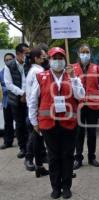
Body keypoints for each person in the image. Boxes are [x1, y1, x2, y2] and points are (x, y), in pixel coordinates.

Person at [28, 47, 85, 199]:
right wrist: (34, 121)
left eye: (61, 58)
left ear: (65, 60)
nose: (58, 61)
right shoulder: (41, 77)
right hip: (48, 124)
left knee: (67, 156)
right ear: (50, 60)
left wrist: (73, 78)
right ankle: (55, 187)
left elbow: (80, 96)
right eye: (55, 58)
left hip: (69, 124)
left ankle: (66, 187)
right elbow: (33, 100)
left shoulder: (72, 76)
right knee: (53, 157)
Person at [73, 44, 99, 170]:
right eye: (82, 52)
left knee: (92, 133)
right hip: (78, 105)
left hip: (93, 104)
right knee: (79, 133)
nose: (85, 54)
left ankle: (92, 157)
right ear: (79, 54)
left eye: (87, 52)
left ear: (90, 54)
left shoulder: (96, 68)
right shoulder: (72, 68)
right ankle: (78, 158)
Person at [25, 47, 49, 177]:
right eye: (43, 56)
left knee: (37, 139)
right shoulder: (37, 71)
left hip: (34, 110)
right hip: (36, 111)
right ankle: (33, 162)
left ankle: (39, 165)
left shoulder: (34, 70)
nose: (46, 58)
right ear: (37, 58)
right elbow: (34, 96)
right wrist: (34, 116)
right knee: (36, 139)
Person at [4, 43, 30, 159]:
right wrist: (22, 93)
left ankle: (31, 148)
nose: (27, 55)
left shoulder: (29, 64)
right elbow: (8, 84)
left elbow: (29, 80)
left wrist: (27, 94)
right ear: (18, 54)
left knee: (30, 123)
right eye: (26, 53)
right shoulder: (8, 66)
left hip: (29, 99)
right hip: (16, 99)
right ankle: (23, 148)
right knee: (19, 125)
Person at [0, 53, 15, 150]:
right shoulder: (1, 72)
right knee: (8, 122)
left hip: (17, 100)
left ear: (14, 60)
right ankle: (8, 142)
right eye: (6, 60)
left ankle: (25, 143)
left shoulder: (18, 71)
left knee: (20, 123)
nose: (8, 61)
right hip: (6, 102)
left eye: (10, 59)